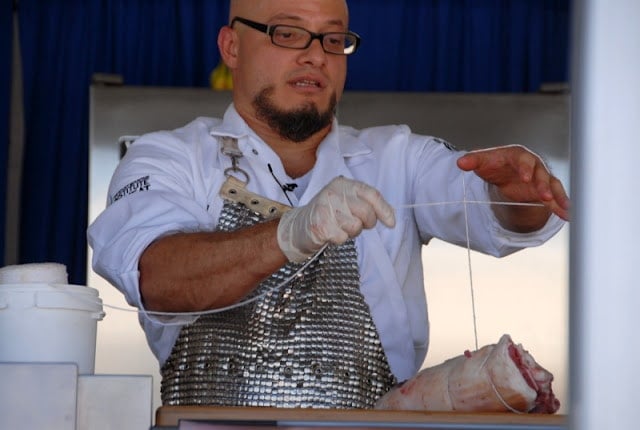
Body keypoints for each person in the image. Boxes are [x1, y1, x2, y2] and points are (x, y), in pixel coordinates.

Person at [88, 0, 570, 409]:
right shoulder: (169, 157)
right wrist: (290, 233)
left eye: (333, 40)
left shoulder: (398, 158)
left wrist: (519, 194)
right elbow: (156, 276)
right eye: (288, 34)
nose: (315, 56)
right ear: (231, 47)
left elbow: (488, 207)